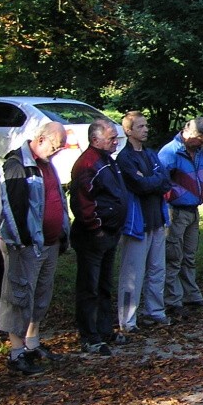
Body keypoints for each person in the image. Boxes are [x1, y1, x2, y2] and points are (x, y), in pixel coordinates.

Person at [0, 121, 70, 376]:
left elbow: (57, 198)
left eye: (60, 148)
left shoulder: (47, 164)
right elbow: (11, 210)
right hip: (25, 246)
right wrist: (24, 242)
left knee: (40, 294)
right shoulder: (17, 165)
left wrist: (61, 232)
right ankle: (16, 353)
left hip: (49, 242)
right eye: (55, 146)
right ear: (40, 139)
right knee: (19, 295)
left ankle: (32, 343)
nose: (57, 151)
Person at [69, 118, 128, 355]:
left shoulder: (107, 161)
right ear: (96, 140)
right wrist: (97, 228)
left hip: (110, 232)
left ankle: (104, 329)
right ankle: (89, 335)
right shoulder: (88, 164)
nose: (116, 142)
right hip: (92, 236)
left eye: (116, 137)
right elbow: (83, 203)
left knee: (104, 284)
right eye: (111, 138)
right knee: (89, 286)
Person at [116, 111, 172, 336]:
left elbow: (165, 181)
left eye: (146, 125)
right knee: (133, 273)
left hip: (157, 219)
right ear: (128, 131)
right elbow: (139, 186)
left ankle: (155, 311)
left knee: (157, 270)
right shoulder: (125, 158)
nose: (146, 129)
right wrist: (150, 181)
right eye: (140, 126)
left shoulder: (150, 154)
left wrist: (150, 180)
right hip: (137, 223)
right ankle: (128, 320)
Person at [159, 117, 203, 320]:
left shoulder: (199, 152)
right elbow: (161, 180)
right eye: (201, 139)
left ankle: (192, 295)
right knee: (174, 255)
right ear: (190, 134)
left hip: (193, 209)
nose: (202, 144)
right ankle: (172, 300)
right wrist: (173, 198)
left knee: (189, 255)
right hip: (176, 209)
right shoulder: (170, 152)